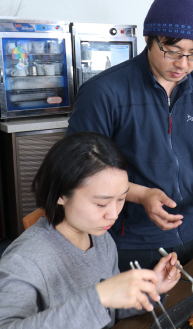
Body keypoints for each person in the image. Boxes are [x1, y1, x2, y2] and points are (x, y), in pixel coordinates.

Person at [66, 0, 193, 272]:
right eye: (172, 52)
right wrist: (142, 195)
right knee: (138, 315)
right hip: (130, 238)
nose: (183, 64)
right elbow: (82, 168)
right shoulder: (104, 92)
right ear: (148, 39)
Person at [0, 132, 181, 329]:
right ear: (61, 194)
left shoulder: (101, 239)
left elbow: (108, 310)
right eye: (101, 203)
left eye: (121, 199)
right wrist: (99, 296)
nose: (113, 214)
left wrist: (150, 290)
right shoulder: (25, 260)